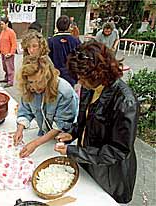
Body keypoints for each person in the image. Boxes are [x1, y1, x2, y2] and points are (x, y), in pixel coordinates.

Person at [55, 41, 139, 204]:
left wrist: (74, 152)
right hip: (90, 159)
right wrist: (72, 133)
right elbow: (85, 120)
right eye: (78, 77)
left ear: (100, 73)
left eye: (83, 77)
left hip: (111, 173)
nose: (80, 82)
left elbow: (118, 151)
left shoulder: (125, 102)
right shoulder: (90, 88)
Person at [13, 55, 78, 158]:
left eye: (39, 81)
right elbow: (25, 110)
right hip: (45, 135)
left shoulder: (64, 91)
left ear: (48, 77)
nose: (35, 87)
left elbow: (60, 125)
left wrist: (35, 144)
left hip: (64, 139)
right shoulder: (29, 88)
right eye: (31, 82)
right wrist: (19, 129)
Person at [48, 15, 81, 87]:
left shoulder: (51, 41)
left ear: (56, 26)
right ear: (69, 26)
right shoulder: (75, 41)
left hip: (55, 75)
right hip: (71, 76)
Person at [0, 17, 17, 87]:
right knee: (5, 67)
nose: (1, 26)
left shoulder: (11, 32)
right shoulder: (2, 32)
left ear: (7, 24)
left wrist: (11, 53)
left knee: (10, 68)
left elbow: (14, 44)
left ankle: (10, 81)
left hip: (8, 54)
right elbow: (0, 42)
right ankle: (6, 78)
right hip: (3, 53)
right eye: (1, 24)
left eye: (2, 24)